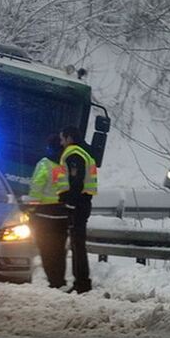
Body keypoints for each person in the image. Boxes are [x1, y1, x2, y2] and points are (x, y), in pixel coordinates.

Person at [25, 134, 70, 288]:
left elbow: (37, 187)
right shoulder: (67, 164)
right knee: (59, 249)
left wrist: (31, 208)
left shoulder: (44, 164)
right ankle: (60, 279)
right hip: (63, 214)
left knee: (46, 249)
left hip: (45, 214)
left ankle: (53, 280)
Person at [59, 125, 98, 294]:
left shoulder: (74, 154)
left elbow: (76, 181)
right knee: (77, 244)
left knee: (77, 244)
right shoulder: (84, 153)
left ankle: (82, 282)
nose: (61, 143)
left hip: (78, 204)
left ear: (69, 139)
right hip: (83, 202)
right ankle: (81, 281)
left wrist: (70, 202)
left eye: (62, 139)